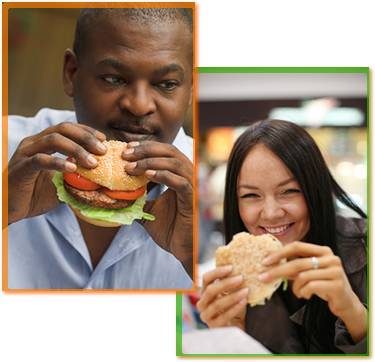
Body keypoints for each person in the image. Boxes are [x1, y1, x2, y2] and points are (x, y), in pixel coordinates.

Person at [7, 8, 194, 289]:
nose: (140, 105)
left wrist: (192, 256)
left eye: (167, 84)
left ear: (191, 89)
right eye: (113, 78)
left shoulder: (230, 185)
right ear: (72, 73)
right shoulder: (8, 149)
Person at [197, 119, 367, 354]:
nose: (270, 213)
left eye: (289, 191)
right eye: (250, 195)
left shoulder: (366, 248)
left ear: (315, 189)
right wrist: (232, 340)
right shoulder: (235, 287)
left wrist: (354, 312)